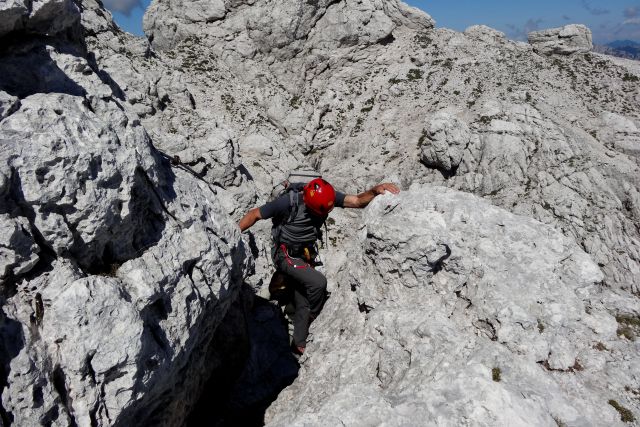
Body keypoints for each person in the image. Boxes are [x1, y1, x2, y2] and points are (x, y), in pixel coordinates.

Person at [239, 178, 400, 354]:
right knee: (318, 283)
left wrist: (375, 190)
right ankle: (312, 315)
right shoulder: (288, 202)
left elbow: (357, 201)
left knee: (304, 296)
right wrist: (232, 234)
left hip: (304, 254)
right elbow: (254, 214)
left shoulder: (326, 196)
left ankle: (298, 341)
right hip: (285, 254)